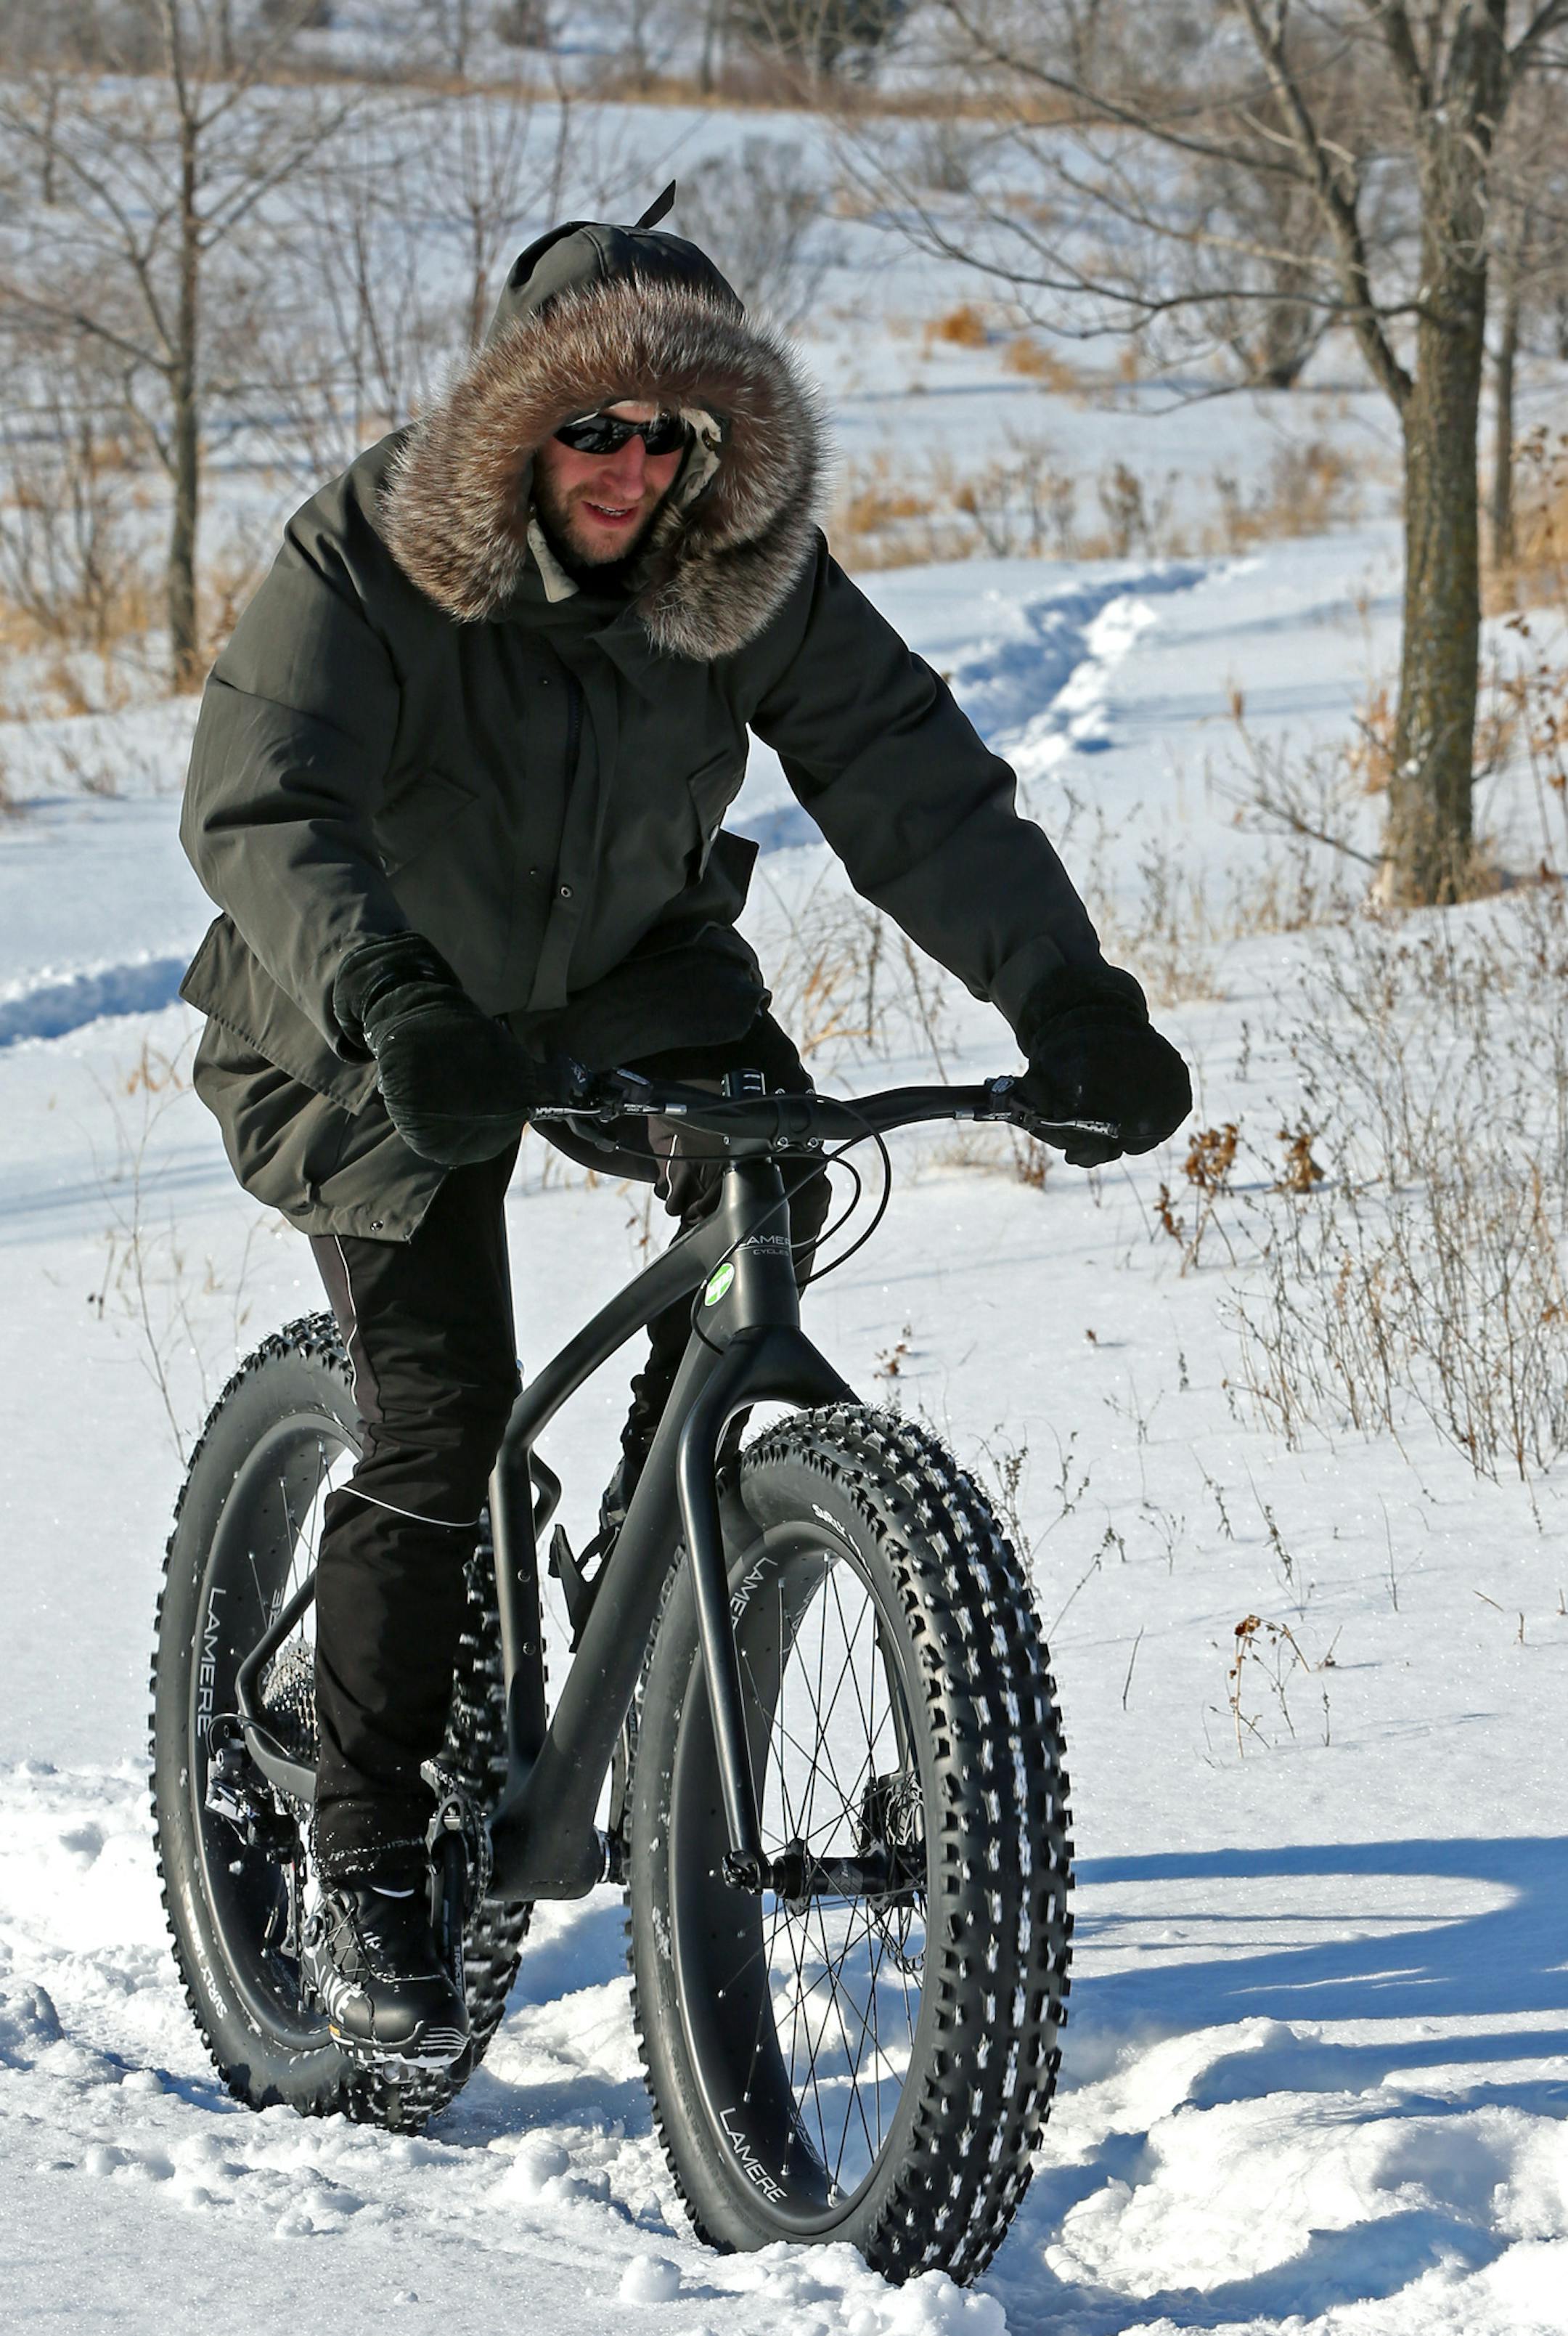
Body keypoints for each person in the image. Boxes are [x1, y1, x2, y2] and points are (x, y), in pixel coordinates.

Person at [177, 190, 1191, 2067]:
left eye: (673, 436)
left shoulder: (746, 575)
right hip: (365, 1002)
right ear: (517, 426)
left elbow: (910, 780)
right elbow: (260, 801)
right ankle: (365, 1846)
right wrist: (388, 999)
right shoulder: (371, 553)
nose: (633, 468)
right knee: (437, 1404)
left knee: (771, 1169)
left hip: (625, 974)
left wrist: (1065, 994)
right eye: (594, 428)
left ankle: (682, 1529)